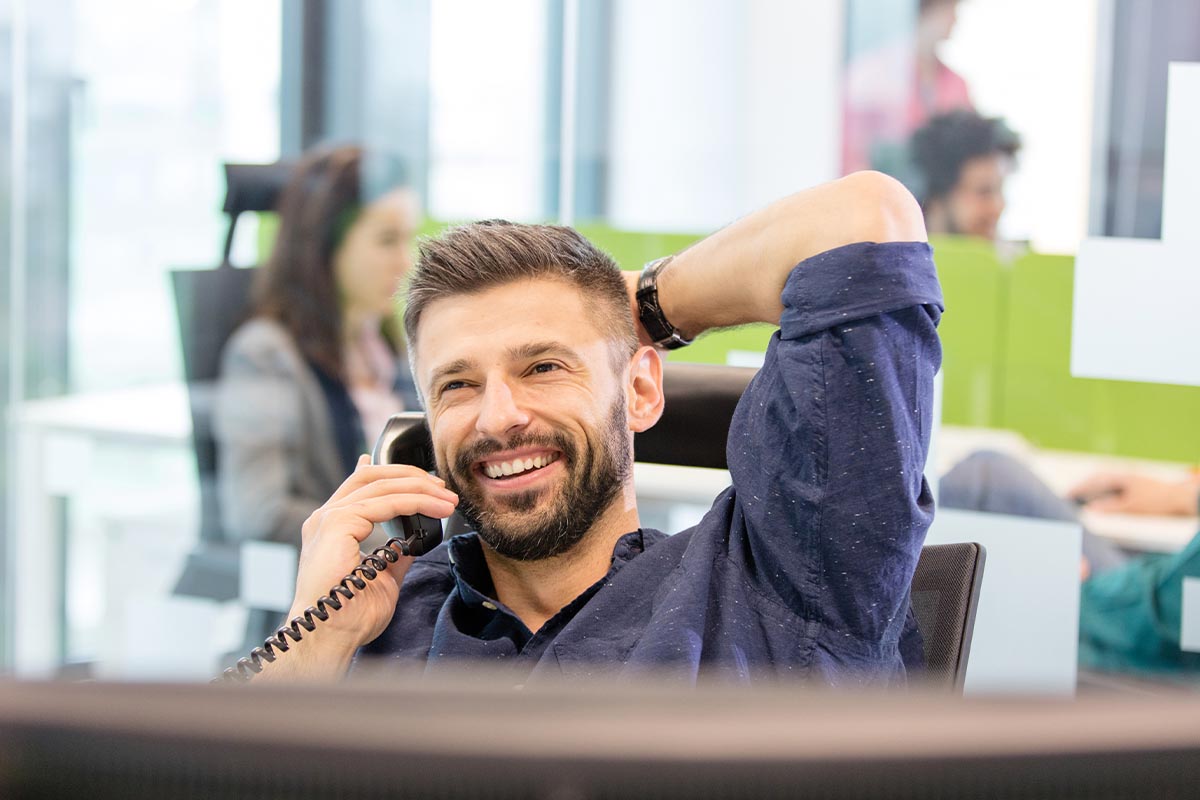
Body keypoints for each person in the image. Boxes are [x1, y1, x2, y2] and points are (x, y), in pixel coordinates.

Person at [251, 171, 943, 685]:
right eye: (457, 384)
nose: (498, 417)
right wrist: (313, 644)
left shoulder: (787, 586)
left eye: (544, 366)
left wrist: (637, 307)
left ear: (640, 390)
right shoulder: (374, 621)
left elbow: (865, 220)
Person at [213, 145, 420, 644]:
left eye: (407, 239)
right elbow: (259, 511)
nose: (405, 260)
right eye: (386, 240)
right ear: (327, 245)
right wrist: (403, 545)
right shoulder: (265, 354)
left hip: (406, 595)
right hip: (332, 611)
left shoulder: (384, 345)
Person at [941, 451, 1200, 676]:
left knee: (984, 479)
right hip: (1149, 604)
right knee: (989, 470)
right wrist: (1187, 497)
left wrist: (1064, 582)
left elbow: (1177, 615)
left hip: (1137, 651)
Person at [842, 0, 973, 175]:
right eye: (950, 10)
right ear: (927, 10)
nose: (955, 20)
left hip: (938, 196)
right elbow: (853, 157)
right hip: (884, 193)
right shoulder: (874, 75)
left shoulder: (956, 84)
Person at [907, 109, 1020, 242]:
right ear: (938, 197)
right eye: (984, 192)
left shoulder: (1009, 258)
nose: (998, 206)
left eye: (1000, 190)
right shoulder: (896, 259)